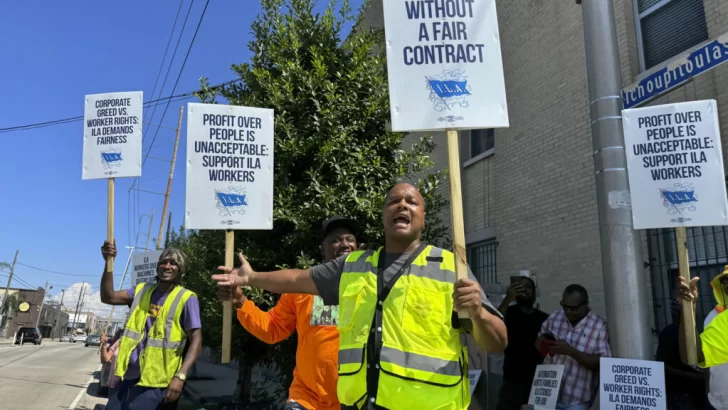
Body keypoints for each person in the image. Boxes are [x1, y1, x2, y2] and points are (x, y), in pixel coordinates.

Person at [214, 183, 507, 410]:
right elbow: (290, 287)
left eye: (411, 201)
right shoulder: (341, 273)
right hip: (327, 402)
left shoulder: (450, 269)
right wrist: (246, 286)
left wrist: (478, 313)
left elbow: (497, 341)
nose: (402, 205)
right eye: (393, 201)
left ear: (423, 216)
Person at [219, 216, 361, 410]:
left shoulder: (373, 285)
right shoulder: (302, 286)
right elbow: (272, 329)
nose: (344, 244)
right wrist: (239, 302)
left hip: (356, 401)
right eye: (336, 239)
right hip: (306, 400)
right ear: (322, 249)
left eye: (349, 239)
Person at [100, 242, 202, 410]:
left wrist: (181, 376)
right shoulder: (141, 290)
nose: (167, 266)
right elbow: (108, 297)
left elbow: (196, 340)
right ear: (158, 266)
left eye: (174, 263)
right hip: (127, 377)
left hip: (157, 384)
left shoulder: (186, 298)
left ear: (180, 270)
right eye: (164, 262)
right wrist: (108, 261)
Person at [536, 284, 611, 410]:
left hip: (576, 400)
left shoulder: (599, 326)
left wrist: (571, 352)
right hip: (547, 392)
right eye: (565, 306)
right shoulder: (555, 317)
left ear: (586, 303)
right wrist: (543, 344)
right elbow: (539, 341)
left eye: (574, 308)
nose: (568, 311)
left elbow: (603, 364)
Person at [495, 276, 549, 410]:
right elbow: (494, 324)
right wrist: (507, 299)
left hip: (537, 382)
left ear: (534, 292)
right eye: (520, 287)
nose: (524, 289)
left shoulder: (545, 318)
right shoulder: (508, 312)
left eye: (528, 287)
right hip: (512, 381)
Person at [655, 299, 704, 410]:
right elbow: (663, 367)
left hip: (701, 393)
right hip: (681, 393)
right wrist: (696, 377)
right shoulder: (670, 333)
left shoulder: (701, 329)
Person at [676, 273, 728, 379]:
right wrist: (688, 308)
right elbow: (693, 356)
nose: (726, 285)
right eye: (724, 281)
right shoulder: (720, 318)